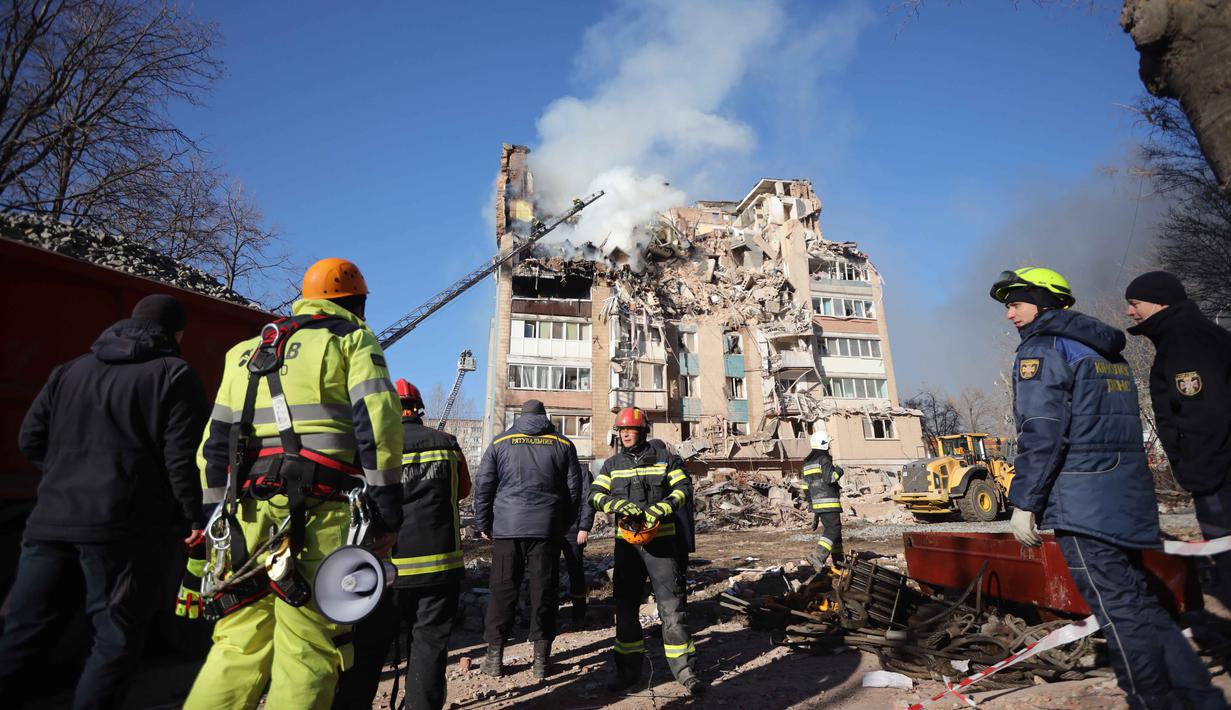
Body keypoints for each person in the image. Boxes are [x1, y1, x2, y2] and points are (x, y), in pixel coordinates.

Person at [990, 266, 1223, 710]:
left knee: (1117, 611)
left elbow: (1042, 430)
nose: (1009, 315)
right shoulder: (1103, 349)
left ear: (1042, 301)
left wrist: (1024, 502)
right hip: (1125, 494)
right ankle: (1194, 696)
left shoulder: (1043, 349)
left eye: (1015, 304)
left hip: (1082, 503)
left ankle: (1151, 700)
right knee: (1140, 602)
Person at [185, 258, 404, 710]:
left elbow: (213, 445)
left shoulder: (244, 352)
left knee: (236, 643)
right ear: (358, 303)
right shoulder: (352, 339)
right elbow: (379, 426)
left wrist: (212, 519)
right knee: (308, 647)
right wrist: (386, 513)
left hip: (244, 516)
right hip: (318, 513)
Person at [0, 294, 207, 709]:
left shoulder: (69, 370)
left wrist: (65, 477)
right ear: (178, 333)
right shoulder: (174, 375)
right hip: (120, 530)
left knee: (23, 632)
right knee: (115, 639)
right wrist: (193, 518)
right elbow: (181, 461)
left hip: (49, 522)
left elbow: (30, 439)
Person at [333, 379, 469, 710]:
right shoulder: (448, 444)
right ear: (418, 409)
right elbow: (462, 490)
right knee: (429, 646)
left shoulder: (372, 447)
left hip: (384, 569)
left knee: (367, 650)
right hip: (439, 567)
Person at [1125, 270, 1231, 609]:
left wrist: (1199, 474)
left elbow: (1203, 413)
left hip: (1218, 478)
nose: (1129, 312)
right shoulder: (1188, 335)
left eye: (1135, 303)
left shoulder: (1186, 341)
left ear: (1159, 302)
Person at [590, 407, 704, 696]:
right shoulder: (612, 465)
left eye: (630, 429)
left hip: (662, 546)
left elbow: (683, 489)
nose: (625, 434)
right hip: (627, 547)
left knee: (672, 609)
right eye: (621, 430)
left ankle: (686, 672)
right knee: (625, 609)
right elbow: (594, 495)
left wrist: (663, 507)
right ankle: (628, 672)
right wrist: (615, 504)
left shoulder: (666, 459)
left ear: (642, 431)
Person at [473, 400, 582, 680]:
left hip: (507, 528)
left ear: (520, 417)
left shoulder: (501, 442)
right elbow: (574, 491)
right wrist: (562, 523)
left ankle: (494, 658)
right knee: (544, 591)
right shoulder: (563, 444)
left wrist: (484, 522)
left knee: (502, 591)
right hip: (546, 529)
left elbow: (484, 485)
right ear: (545, 417)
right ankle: (541, 662)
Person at [802, 429, 844, 569]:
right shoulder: (824, 459)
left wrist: (811, 503)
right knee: (833, 529)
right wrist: (839, 471)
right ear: (824, 444)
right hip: (829, 502)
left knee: (834, 532)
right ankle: (818, 556)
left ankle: (839, 561)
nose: (830, 446)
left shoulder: (807, 463)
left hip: (817, 503)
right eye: (828, 443)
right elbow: (830, 478)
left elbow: (805, 486)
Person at [562, 459, 597, 626]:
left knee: (575, 570)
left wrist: (584, 527)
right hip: (551, 529)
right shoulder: (550, 465)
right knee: (547, 571)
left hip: (574, 530)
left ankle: (579, 614)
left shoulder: (582, 472)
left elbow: (588, 500)